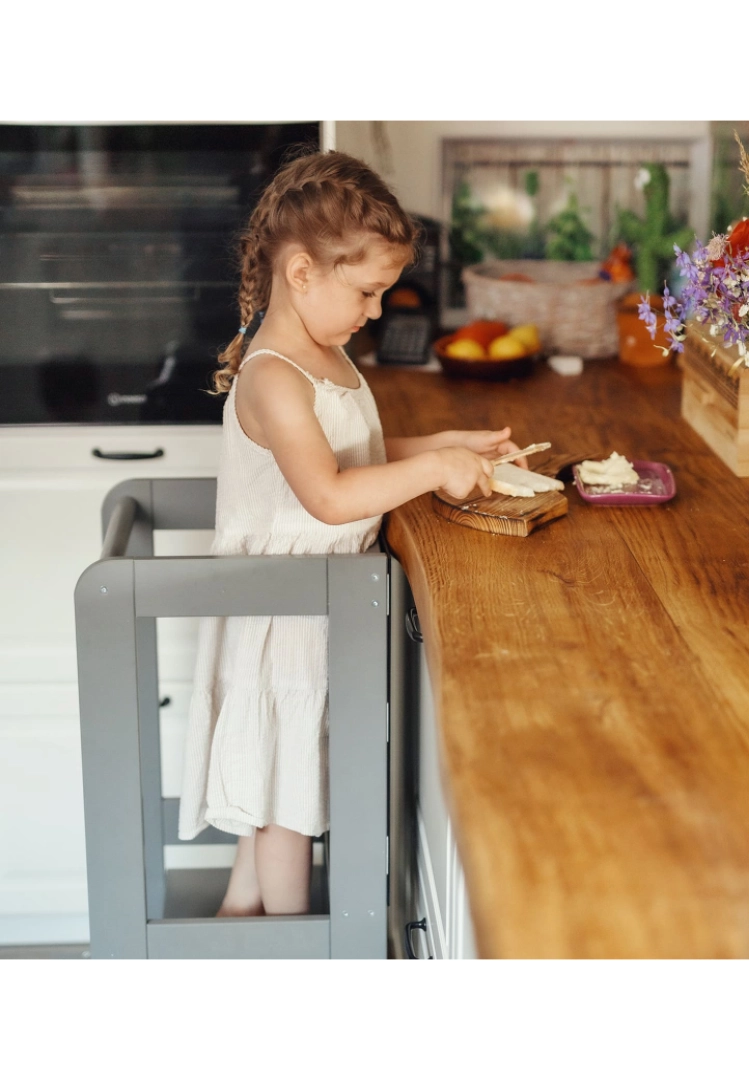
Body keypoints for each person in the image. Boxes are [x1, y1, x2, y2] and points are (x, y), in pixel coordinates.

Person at [177, 150, 528, 917]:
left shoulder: (324, 352)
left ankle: (240, 927)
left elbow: (355, 457)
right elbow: (331, 496)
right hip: (282, 617)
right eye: (368, 291)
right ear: (301, 272)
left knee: (277, 787)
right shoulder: (275, 376)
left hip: (314, 609)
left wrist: (447, 446)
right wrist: (437, 471)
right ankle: (299, 950)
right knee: (288, 808)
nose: (376, 312)